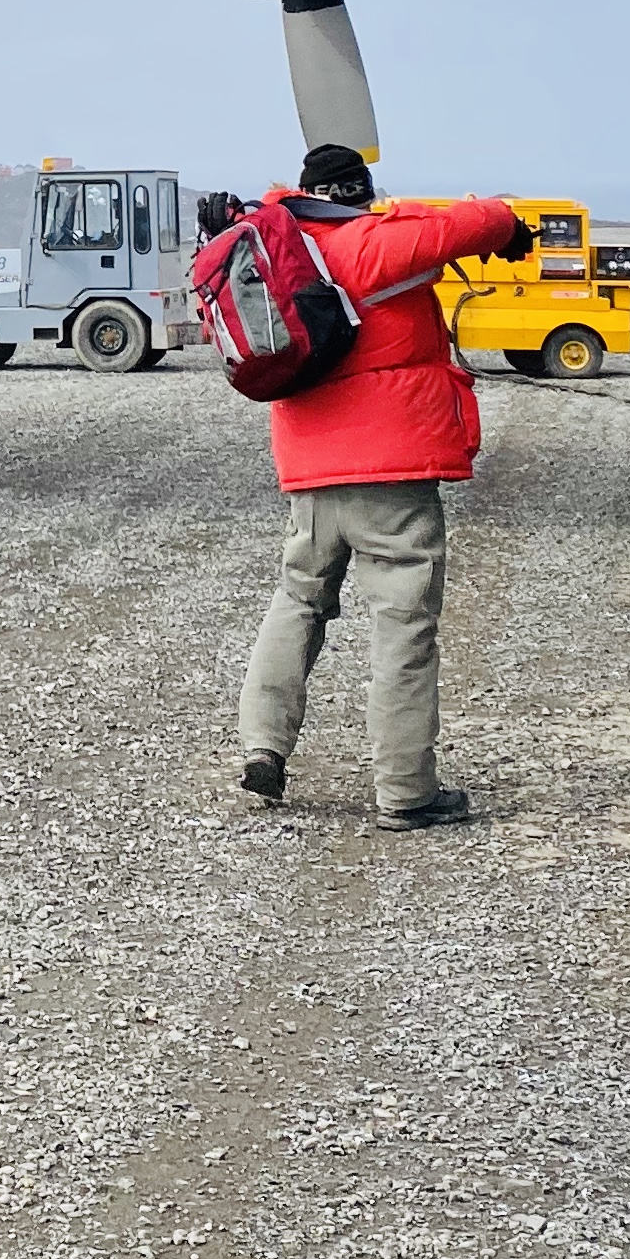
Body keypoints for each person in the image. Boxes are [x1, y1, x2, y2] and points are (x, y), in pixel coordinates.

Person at [235, 142, 532, 833]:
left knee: (298, 601)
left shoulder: (281, 250)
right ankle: (405, 790)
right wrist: (508, 226)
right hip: (392, 473)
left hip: (309, 469)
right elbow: (478, 221)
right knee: (402, 624)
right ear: (359, 194)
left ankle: (263, 747)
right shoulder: (369, 244)